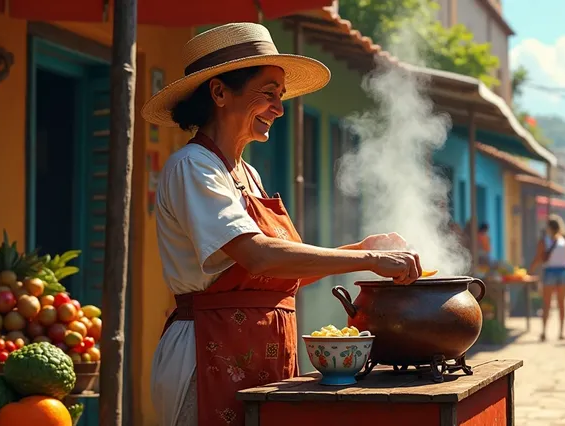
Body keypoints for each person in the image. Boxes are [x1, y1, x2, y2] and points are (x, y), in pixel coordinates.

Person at [142, 23, 423, 426]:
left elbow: (279, 273)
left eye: (281, 96)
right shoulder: (193, 167)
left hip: (264, 349)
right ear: (220, 93)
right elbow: (257, 256)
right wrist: (370, 257)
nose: (279, 107)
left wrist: (361, 248)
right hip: (207, 351)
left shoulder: (248, 175)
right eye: (268, 94)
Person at [529, 214, 565, 342]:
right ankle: (561, 332)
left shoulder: (544, 240)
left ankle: (544, 332)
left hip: (549, 272)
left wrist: (530, 271)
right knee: (562, 304)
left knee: (547, 304)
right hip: (563, 271)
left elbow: (538, 258)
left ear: (548, 227)